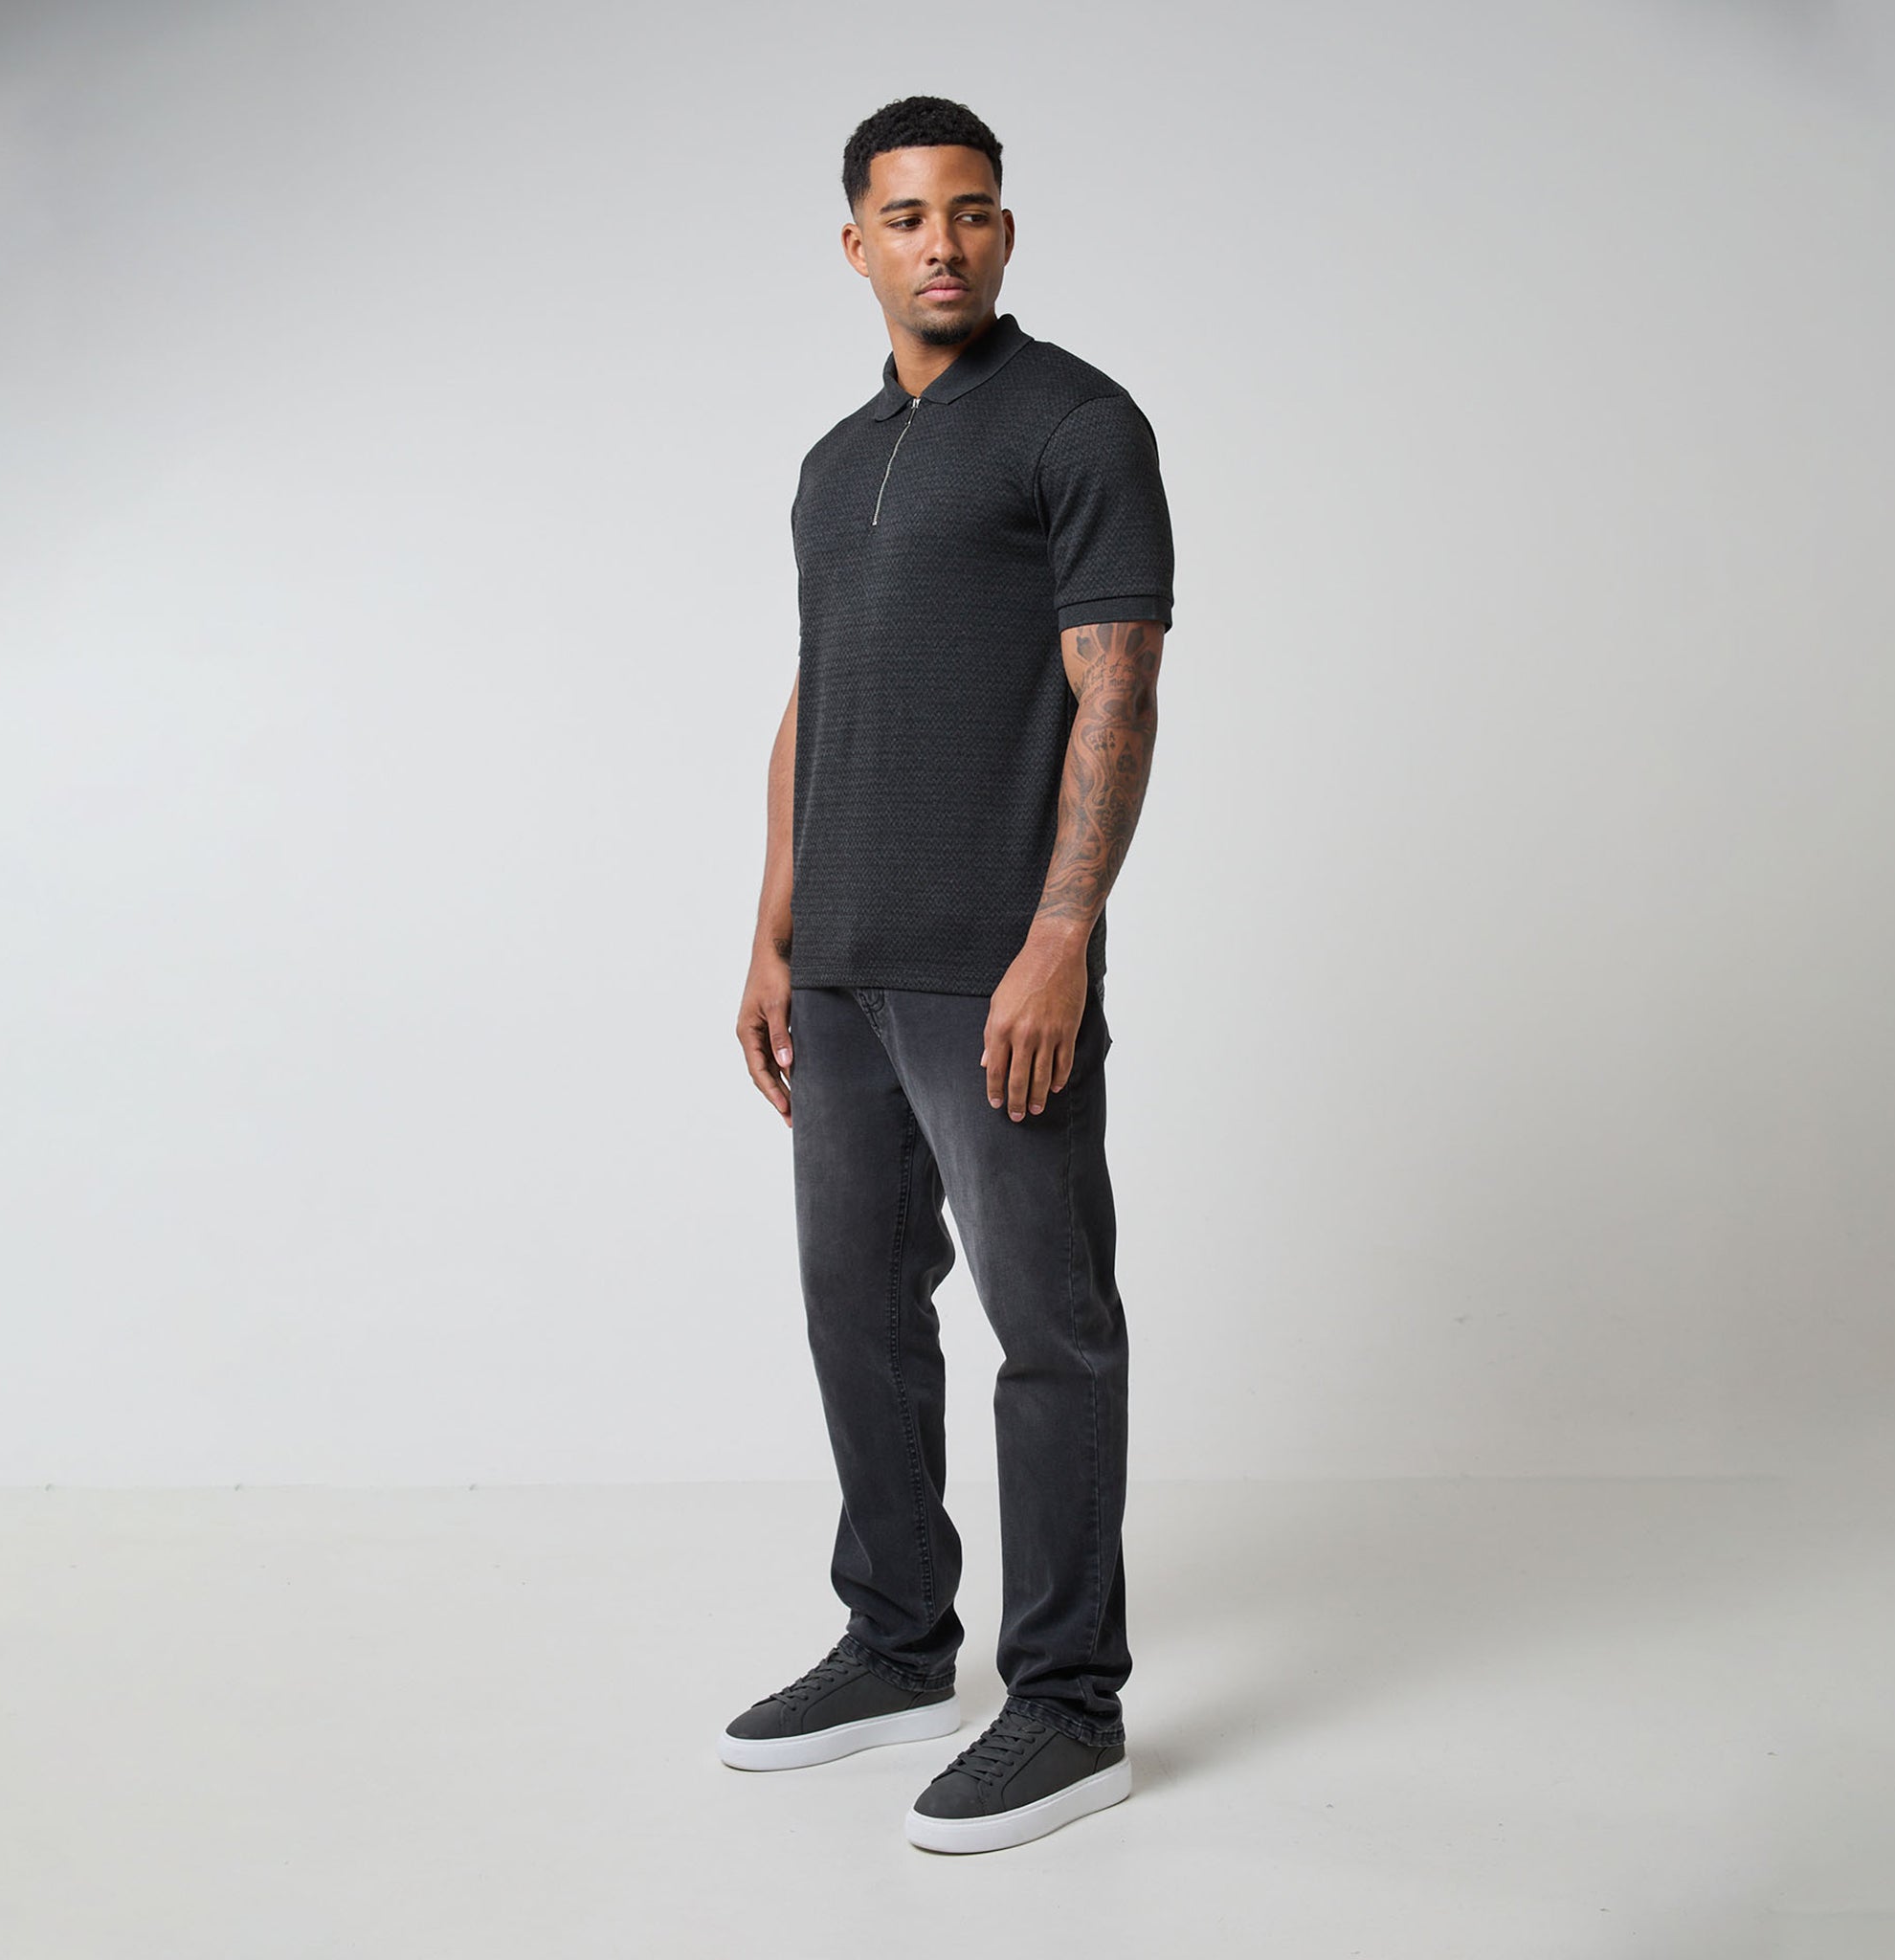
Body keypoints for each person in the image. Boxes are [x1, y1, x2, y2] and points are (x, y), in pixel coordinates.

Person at [723, 94, 1174, 1855]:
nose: (942, 242)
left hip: (994, 968)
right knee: (856, 1305)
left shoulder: (1077, 423)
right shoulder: (836, 463)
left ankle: (1067, 1704)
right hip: (838, 965)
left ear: (1005, 231)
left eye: (971, 211)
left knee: (1048, 1326)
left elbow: (1117, 685)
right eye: (907, 216)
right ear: (857, 244)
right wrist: (771, 927)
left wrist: (1058, 938)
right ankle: (899, 1645)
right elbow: (815, 692)